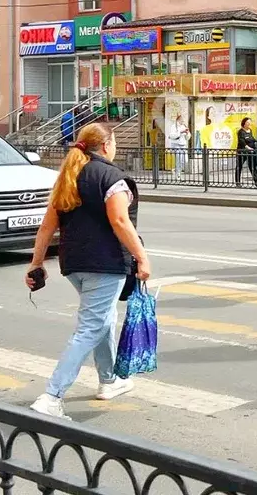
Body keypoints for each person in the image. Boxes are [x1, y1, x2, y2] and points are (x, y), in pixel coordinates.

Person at [25, 123, 151, 419]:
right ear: (106, 145)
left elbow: (47, 226)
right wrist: (142, 258)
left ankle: (109, 380)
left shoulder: (68, 177)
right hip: (105, 264)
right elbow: (120, 221)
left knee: (103, 318)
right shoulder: (112, 178)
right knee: (91, 327)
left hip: (73, 265)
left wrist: (36, 263)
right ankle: (52, 396)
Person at [235, 118, 257, 187]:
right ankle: (238, 182)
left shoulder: (250, 130)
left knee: (253, 166)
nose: (249, 124)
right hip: (242, 152)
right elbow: (241, 141)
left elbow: (252, 138)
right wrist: (247, 147)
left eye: (250, 122)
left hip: (251, 152)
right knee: (239, 166)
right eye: (248, 123)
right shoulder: (241, 132)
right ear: (244, 123)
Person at [167, 113, 189, 181]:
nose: (183, 121)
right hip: (176, 145)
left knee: (184, 160)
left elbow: (188, 137)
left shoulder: (184, 126)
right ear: (178, 119)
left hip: (183, 145)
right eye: (182, 119)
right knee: (178, 160)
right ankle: (178, 175)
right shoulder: (174, 126)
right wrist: (180, 132)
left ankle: (175, 169)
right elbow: (172, 135)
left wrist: (187, 134)